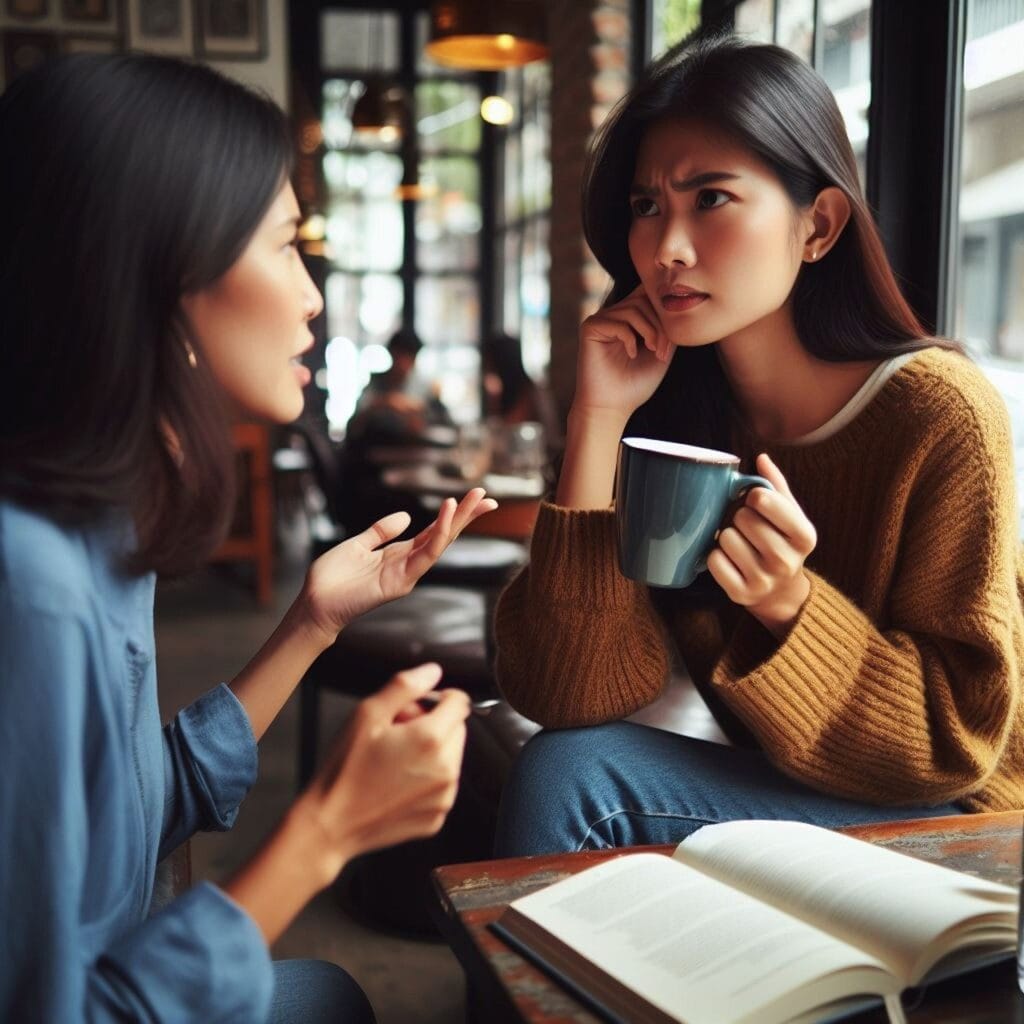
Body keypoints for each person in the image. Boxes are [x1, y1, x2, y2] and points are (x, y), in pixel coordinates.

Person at [0, 54, 497, 1023]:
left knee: (328, 997)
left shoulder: (103, 523)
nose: (312, 296)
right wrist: (322, 830)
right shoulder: (33, 588)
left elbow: (144, 807)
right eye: (283, 248)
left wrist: (312, 620)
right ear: (165, 279)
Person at [492, 32, 1024, 857]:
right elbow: (571, 692)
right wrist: (598, 422)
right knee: (563, 761)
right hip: (796, 791)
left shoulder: (941, 417)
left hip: (965, 825)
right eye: (646, 207)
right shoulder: (674, 419)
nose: (666, 248)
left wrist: (789, 607)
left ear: (818, 225)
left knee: (573, 781)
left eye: (710, 198)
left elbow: (957, 743)